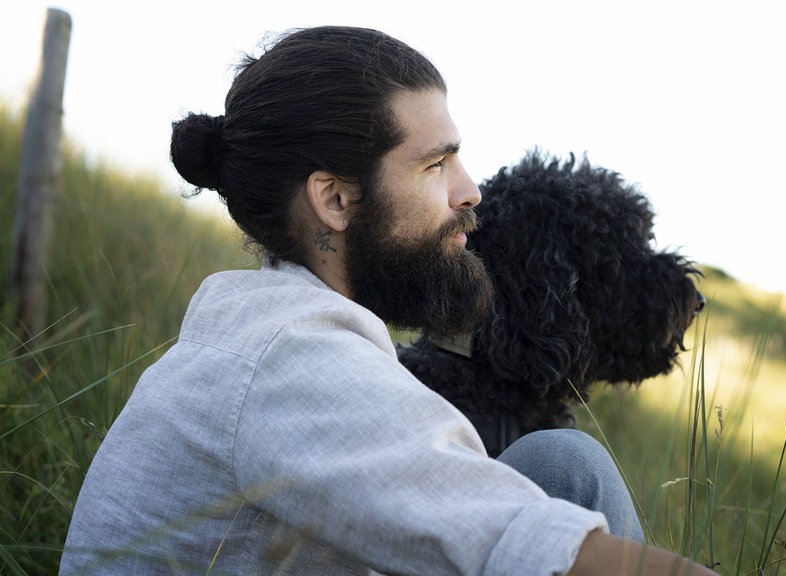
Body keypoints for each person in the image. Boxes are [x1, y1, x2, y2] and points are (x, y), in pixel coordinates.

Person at [59, 26, 718, 575]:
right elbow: (520, 542)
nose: (470, 193)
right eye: (436, 166)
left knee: (559, 465)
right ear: (337, 200)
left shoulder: (280, 330)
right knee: (569, 474)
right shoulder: (294, 360)